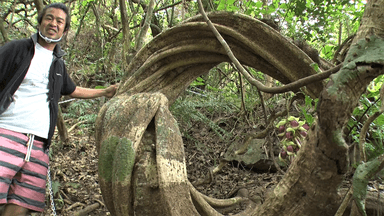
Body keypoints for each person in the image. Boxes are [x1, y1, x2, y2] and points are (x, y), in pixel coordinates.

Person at [0, 3, 117, 216]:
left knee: (21, 203)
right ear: (40, 22)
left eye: (59, 21)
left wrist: (105, 92)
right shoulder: (17, 49)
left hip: (38, 144)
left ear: (65, 29)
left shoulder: (57, 64)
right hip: (6, 133)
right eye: (49, 18)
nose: (53, 23)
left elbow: (72, 90)